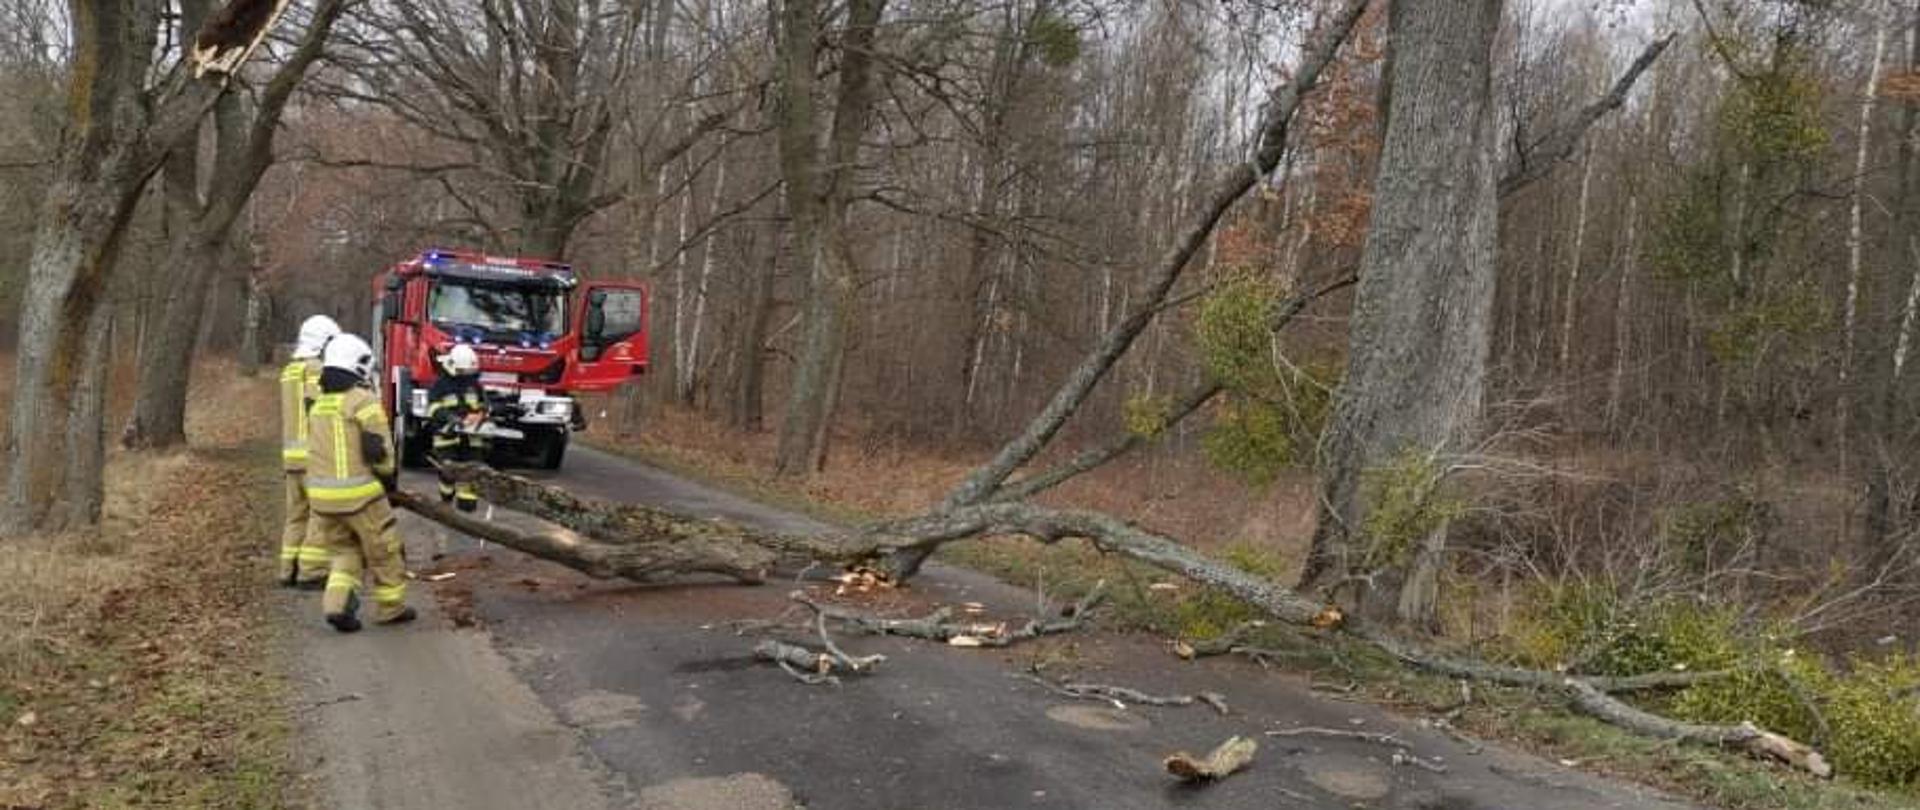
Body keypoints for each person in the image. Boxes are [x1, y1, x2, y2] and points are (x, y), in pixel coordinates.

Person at [305, 334, 415, 632]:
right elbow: (382, 453)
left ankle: (335, 606)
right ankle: (391, 608)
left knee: (344, 552)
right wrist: (389, 482)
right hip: (361, 498)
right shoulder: (363, 401)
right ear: (358, 364)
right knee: (385, 551)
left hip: (322, 501)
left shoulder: (319, 405)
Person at [277, 315, 339, 588]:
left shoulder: (290, 371)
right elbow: (318, 408)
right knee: (320, 515)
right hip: (314, 456)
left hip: (292, 458)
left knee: (295, 516)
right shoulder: (316, 370)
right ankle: (312, 572)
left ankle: (288, 569)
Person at [427, 345, 490, 512]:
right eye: (464, 371)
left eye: (469, 372)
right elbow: (433, 408)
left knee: (472, 471)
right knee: (448, 471)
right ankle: (446, 499)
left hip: (472, 438)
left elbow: (484, 405)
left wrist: (480, 415)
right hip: (446, 437)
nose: (467, 376)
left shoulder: (475, 385)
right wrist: (451, 419)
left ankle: (467, 505)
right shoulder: (440, 385)